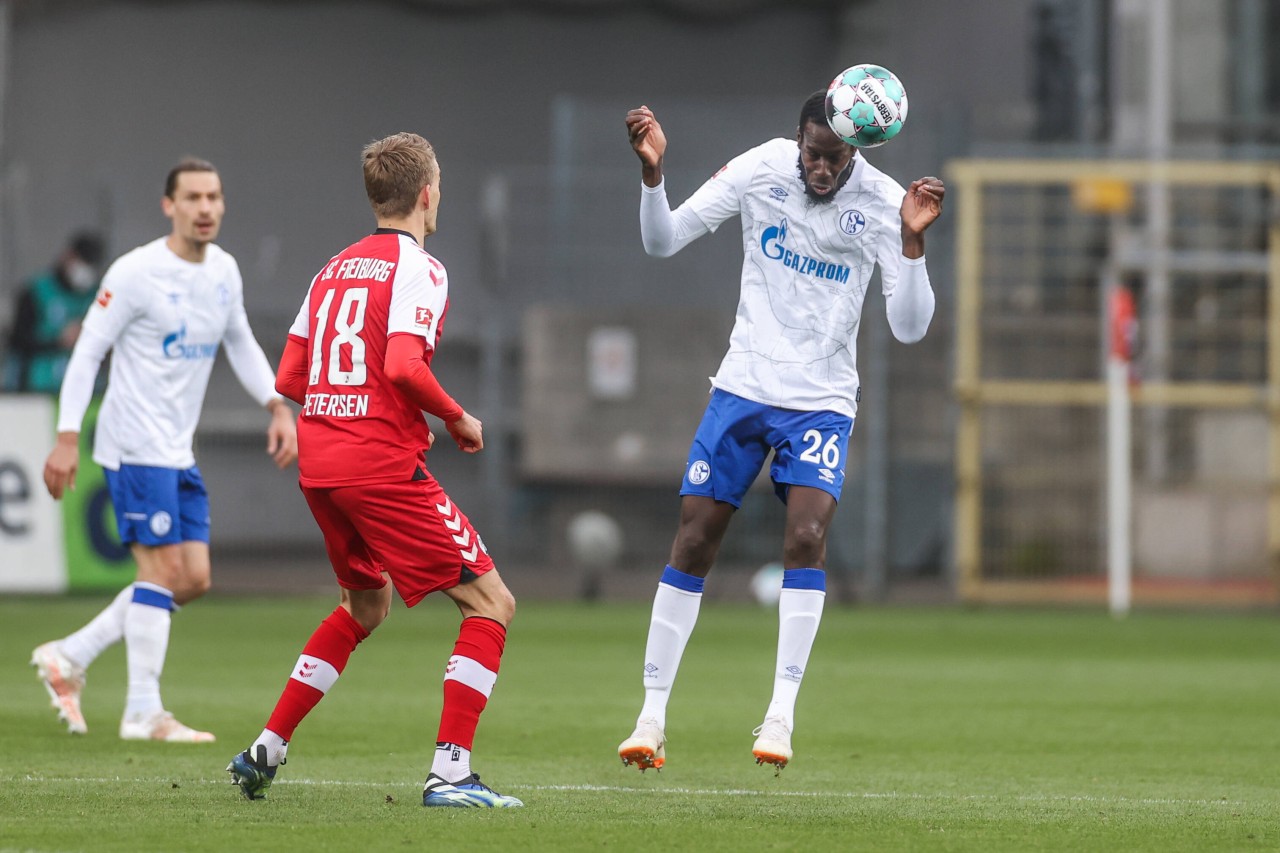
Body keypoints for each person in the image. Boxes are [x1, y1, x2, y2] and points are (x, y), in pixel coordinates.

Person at [616, 94, 945, 773]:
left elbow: (910, 326)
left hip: (821, 400)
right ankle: (651, 713)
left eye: (836, 156)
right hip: (742, 387)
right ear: (798, 139)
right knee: (695, 535)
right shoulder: (760, 169)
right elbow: (662, 240)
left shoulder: (885, 204)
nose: (821, 167)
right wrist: (653, 175)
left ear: (856, 150)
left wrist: (912, 245)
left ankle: (780, 713)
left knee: (806, 537)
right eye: (813, 152)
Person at [226, 132, 522, 809]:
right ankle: (450, 773)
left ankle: (265, 748)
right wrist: (456, 416)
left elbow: (292, 375)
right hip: (376, 462)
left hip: (321, 461)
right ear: (426, 194)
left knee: (365, 602)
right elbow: (401, 365)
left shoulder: (331, 269)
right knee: (491, 602)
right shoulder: (421, 267)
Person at [32, 158, 298, 742]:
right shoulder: (134, 274)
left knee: (194, 578)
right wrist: (68, 437)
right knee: (160, 572)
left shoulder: (224, 272)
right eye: (193, 197)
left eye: (214, 197)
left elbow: (242, 343)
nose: (205, 208)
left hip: (178, 448)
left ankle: (69, 655)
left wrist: (278, 406)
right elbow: (88, 354)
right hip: (132, 443)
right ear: (169, 206)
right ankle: (142, 712)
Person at [5, 231, 105, 393]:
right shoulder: (36, 291)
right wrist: (58, 341)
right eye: (83, 262)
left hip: (85, 393)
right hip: (37, 392)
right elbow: (17, 340)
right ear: (68, 257)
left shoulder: (97, 295)